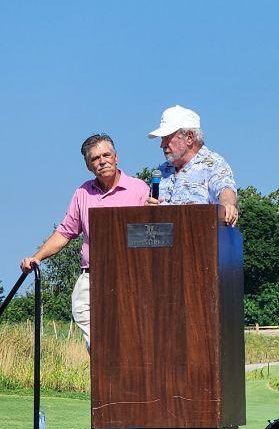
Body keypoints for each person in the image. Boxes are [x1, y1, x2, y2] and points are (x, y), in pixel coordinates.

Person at [20, 134, 151, 349]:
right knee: (98, 345)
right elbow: (65, 232)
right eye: (95, 158)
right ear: (89, 166)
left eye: (106, 155)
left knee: (130, 339)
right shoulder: (83, 192)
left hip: (130, 277)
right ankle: (105, 378)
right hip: (92, 277)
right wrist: (36, 257)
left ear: (116, 157)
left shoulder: (139, 189)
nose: (102, 161)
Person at [146, 105, 238, 225]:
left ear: (189, 138)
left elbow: (225, 190)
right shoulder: (161, 171)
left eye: (167, 138)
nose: (162, 145)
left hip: (201, 240)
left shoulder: (213, 164)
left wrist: (228, 205)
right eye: (162, 139)